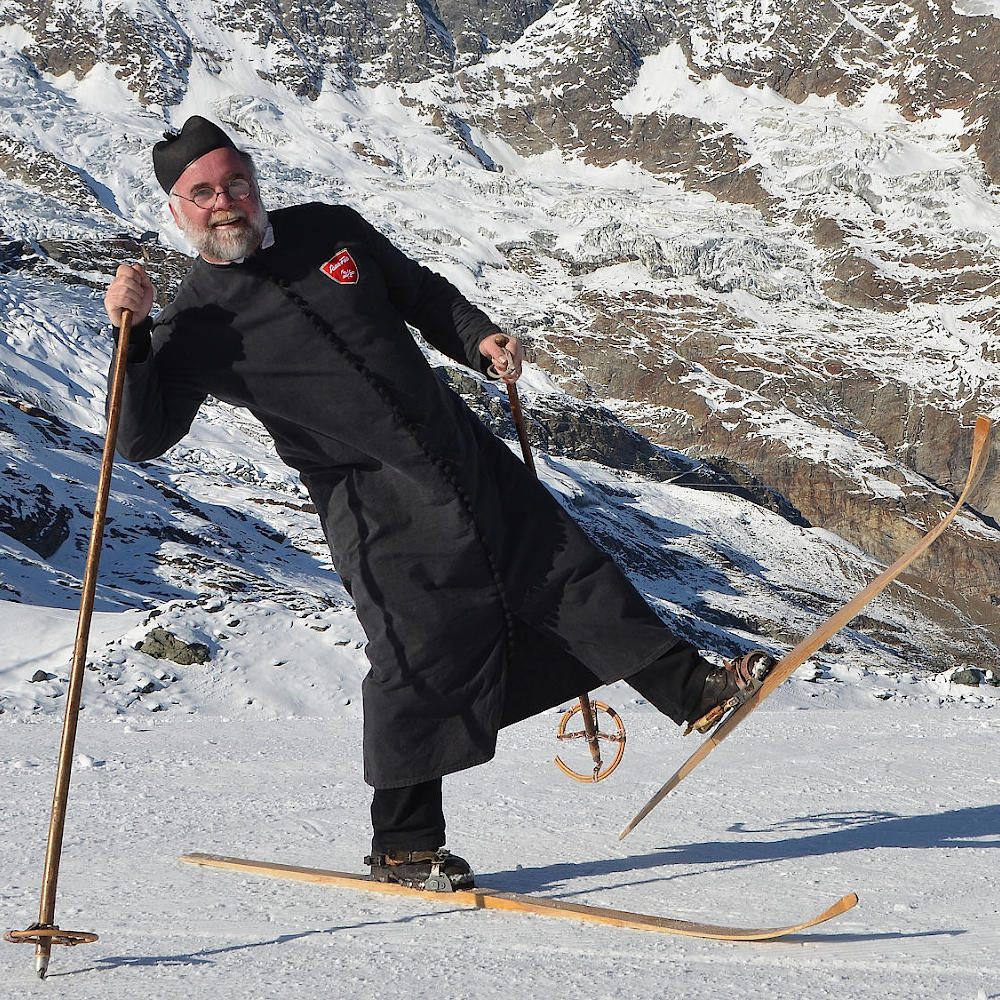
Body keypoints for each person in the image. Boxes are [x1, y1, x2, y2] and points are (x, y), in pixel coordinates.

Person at [104, 116, 769, 891]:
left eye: (237, 182)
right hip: (373, 504)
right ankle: (403, 847)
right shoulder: (193, 323)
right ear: (178, 210)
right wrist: (135, 334)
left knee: (572, 574)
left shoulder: (329, 229)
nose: (227, 202)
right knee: (417, 657)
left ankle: (692, 692)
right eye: (204, 192)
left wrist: (478, 338)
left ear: (255, 183)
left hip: (463, 454)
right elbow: (143, 435)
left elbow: (419, 293)